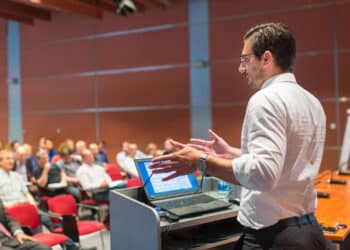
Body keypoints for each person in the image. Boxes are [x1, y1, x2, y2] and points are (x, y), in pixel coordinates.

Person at [151, 23, 329, 250]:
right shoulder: (311, 102)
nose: (241, 68)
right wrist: (231, 153)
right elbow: (286, 160)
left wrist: (200, 161)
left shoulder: (265, 99)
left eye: (245, 59)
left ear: (266, 58)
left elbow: (264, 175)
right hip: (308, 230)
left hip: (275, 238)